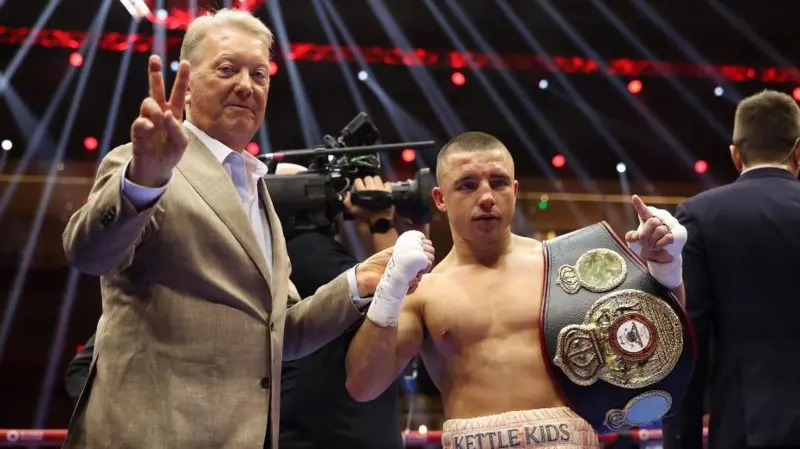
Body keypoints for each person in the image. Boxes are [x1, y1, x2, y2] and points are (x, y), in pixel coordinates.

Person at [60, 9, 434, 449]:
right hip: (151, 435)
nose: (245, 84)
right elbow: (90, 253)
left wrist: (357, 283)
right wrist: (145, 181)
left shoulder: (257, 192)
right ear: (189, 82)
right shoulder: (145, 163)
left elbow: (284, 332)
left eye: (259, 73)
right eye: (226, 69)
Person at [345, 131, 688, 449]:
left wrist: (665, 268)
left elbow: (654, 347)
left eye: (498, 183)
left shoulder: (562, 265)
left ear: (515, 189)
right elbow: (363, 385)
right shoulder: (423, 290)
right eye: (467, 185)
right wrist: (390, 289)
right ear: (440, 198)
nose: (486, 198)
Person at [663, 90, 800, 449]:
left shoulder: (701, 215)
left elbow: (689, 338)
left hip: (743, 429)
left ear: (735, 155)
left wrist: (682, 441)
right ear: (799, 151)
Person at [277, 165, 421, 449]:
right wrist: (381, 221)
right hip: (335, 431)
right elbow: (401, 295)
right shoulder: (308, 253)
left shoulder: (281, 255)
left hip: (315, 427)